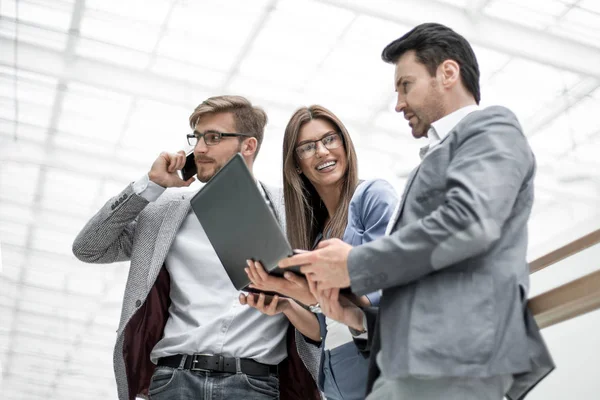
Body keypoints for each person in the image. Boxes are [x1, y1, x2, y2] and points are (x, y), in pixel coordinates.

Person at [278, 23, 555, 400]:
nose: (398, 103)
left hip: (453, 359)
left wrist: (355, 264)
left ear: (448, 73)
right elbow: (425, 275)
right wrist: (355, 315)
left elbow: (470, 223)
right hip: (412, 365)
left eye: (406, 85)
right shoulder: (436, 157)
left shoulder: (491, 125)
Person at [72, 95, 320, 400]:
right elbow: (89, 248)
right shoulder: (166, 213)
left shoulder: (292, 210)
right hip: (173, 381)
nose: (200, 148)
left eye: (214, 137)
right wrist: (150, 185)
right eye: (197, 137)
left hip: (255, 385)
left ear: (249, 146)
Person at [239, 105, 398, 400]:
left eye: (330, 139)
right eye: (308, 147)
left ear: (345, 144)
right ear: (296, 164)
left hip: (377, 368)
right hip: (337, 379)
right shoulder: (314, 233)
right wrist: (288, 303)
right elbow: (322, 329)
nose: (322, 152)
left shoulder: (372, 197)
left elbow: (387, 291)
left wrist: (320, 292)